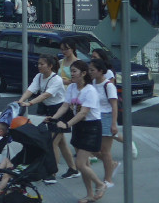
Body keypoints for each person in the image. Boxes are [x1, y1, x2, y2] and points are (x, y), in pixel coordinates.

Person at [46, 60, 106, 203]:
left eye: (74, 71)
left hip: (91, 128)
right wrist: (53, 118)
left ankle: (100, 184)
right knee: (85, 165)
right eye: (71, 71)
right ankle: (90, 195)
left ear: (83, 73)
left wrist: (67, 124)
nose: (71, 74)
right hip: (79, 127)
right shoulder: (72, 87)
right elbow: (65, 106)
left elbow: (83, 113)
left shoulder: (90, 91)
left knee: (80, 164)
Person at [16, 54, 74, 183]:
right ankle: (73, 169)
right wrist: (20, 101)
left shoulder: (56, 80)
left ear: (50, 66)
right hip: (51, 111)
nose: (39, 66)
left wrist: (29, 103)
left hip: (61, 111)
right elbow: (31, 89)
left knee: (52, 143)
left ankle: (52, 173)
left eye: (42, 64)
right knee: (61, 143)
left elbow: (45, 96)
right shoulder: (39, 76)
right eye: (38, 63)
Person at [88, 59, 121, 190]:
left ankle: (108, 179)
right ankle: (112, 164)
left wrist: (114, 124)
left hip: (106, 117)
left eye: (92, 70)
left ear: (101, 71)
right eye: (89, 70)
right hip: (94, 118)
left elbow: (114, 105)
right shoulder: (92, 84)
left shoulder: (108, 86)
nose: (90, 73)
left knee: (105, 151)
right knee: (92, 149)